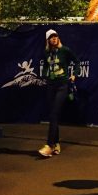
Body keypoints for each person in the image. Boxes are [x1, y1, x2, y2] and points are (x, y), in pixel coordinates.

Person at [38, 29, 79, 157]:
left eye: (55, 36)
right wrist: (45, 75)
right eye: (51, 37)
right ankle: (56, 144)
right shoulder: (46, 52)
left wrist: (74, 74)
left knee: (54, 114)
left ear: (58, 38)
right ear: (48, 40)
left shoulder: (65, 50)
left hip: (62, 86)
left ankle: (49, 145)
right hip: (51, 86)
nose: (54, 38)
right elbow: (45, 66)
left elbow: (77, 61)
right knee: (52, 116)